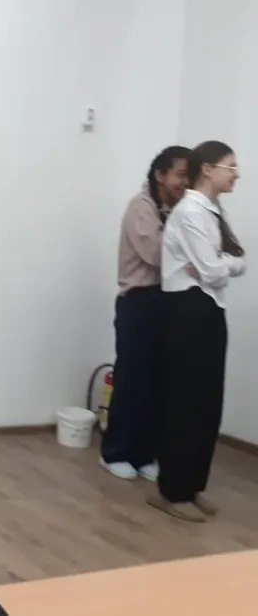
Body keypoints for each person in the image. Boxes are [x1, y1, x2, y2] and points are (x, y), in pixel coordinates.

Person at [150, 141, 245, 523]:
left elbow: (238, 259)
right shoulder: (190, 212)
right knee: (186, 402)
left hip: (209, 309)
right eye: (230, 167)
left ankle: (191, 486)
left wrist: (224, 264)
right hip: (188, 310)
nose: (236, 174)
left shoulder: (212, 210)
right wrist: (223, 264)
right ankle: (173, 492)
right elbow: (211, 270)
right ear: (207, 169)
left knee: (207, 402)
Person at [100, 146, 191, 482]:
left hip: (167, 303)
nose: (185, 182)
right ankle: (115, 452)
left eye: (189, 176)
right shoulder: (141, 207)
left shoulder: (177, 209)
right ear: (160, 175)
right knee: (132, 379)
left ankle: (143, 454)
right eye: (181, 174)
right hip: (139, 302)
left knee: (159, 382)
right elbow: (157, 255)